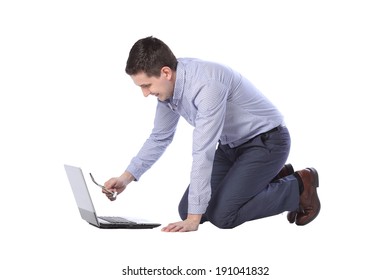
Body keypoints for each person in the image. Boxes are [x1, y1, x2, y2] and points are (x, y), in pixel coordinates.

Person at [103, 36, 321, 232]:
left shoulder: (206, 85)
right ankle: (271, 177)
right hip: (231, 147)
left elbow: (203, 151)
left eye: (146, 85)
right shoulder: (168, 89)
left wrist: (193, 220)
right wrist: (125, 178)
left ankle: (299, 185)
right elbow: (160, 137)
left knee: (222, 216)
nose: (145, 93)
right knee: (187, 209)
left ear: (165, 72)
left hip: (267, 142)